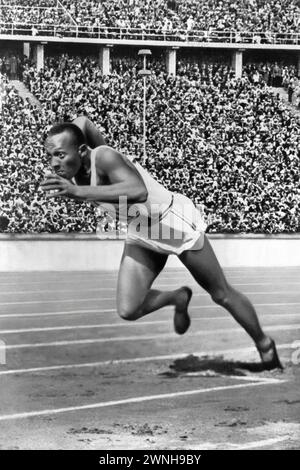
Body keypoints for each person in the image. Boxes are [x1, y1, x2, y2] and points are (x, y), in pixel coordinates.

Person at [41, 120, 283, 371]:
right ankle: (177, 297)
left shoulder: (103, 158)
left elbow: (138, 191)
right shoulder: (76, 171)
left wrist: (78, 191)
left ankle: (265, 346)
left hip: (170, 222)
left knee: (220, 293)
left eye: (60, 154)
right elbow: (82, 121)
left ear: (81, 150)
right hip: (141, 231)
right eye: (50, 156)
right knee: (128, 309)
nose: (54, 163)